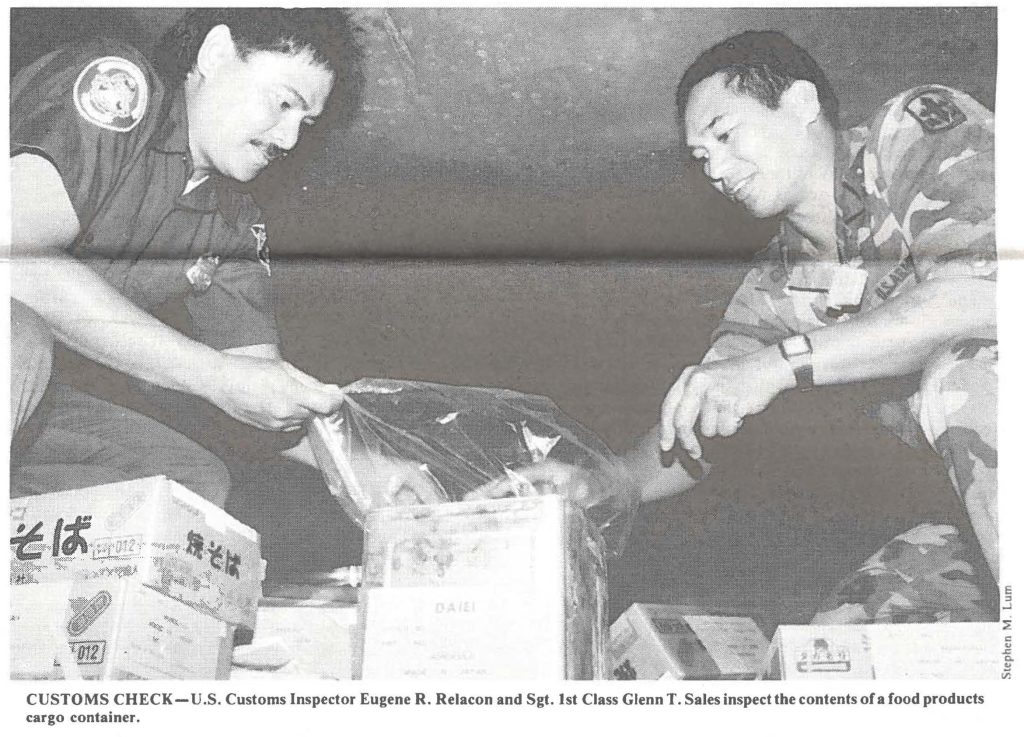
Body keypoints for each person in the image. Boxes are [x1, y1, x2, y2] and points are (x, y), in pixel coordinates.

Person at [9, 8, 439, 509]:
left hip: (28, 397)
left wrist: (365, 469)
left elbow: (256, 382)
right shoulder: (123, 88)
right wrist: (213, 376)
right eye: (283, 103)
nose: (288, 139)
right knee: (16, 336)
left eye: (305, 121)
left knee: (188, 484)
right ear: (215, 53)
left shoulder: (232, 219)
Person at [644, 30, 996, 621]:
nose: (714, 169)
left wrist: (779, 366)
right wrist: (601, 484)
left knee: (963, 380)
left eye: (725, 135)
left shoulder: (907, 133)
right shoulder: (779, 280)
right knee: (847, 634)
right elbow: (700, 420)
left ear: (802, 105)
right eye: (701, 157)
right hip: (986, 501)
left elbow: (989, 292)